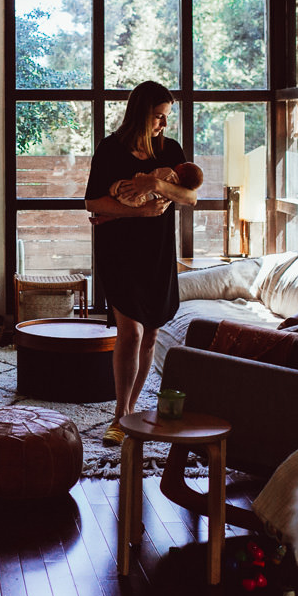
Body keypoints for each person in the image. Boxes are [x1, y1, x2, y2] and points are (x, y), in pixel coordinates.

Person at [84, 81, 197, 447]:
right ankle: (120, 416)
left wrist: (155, 184)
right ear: (140, 114)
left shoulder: (171, 150)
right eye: (158, 117)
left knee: (150, 334)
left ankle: (131, 408)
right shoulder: (110, 149)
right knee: (129, 332)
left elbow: (190, 197)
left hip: (157, 252)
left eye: (166, 117)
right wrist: (143, 210)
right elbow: (92, 203)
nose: (163, 125)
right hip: (118, 251)